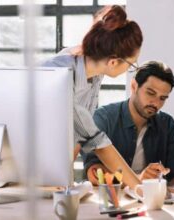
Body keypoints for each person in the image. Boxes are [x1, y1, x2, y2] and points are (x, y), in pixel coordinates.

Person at [41, 5, 143, 189]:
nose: (131, 70)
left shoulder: (94, 72)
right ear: (113, 62)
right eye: (131, 65)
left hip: (51, 180)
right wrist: (141, 189)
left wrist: (63, 181)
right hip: (24, 175)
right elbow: (98, 143)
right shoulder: (59, 75)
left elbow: (77, 133)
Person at [83, 61, 174, 187]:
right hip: (112, 201)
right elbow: (95, 173)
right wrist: (137, 181)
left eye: (162, 98)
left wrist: (169, 192)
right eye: (150, 93)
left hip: (151, 203)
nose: (156, 103)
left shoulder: (166, 124)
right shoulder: (103, 117)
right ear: (134, 86)